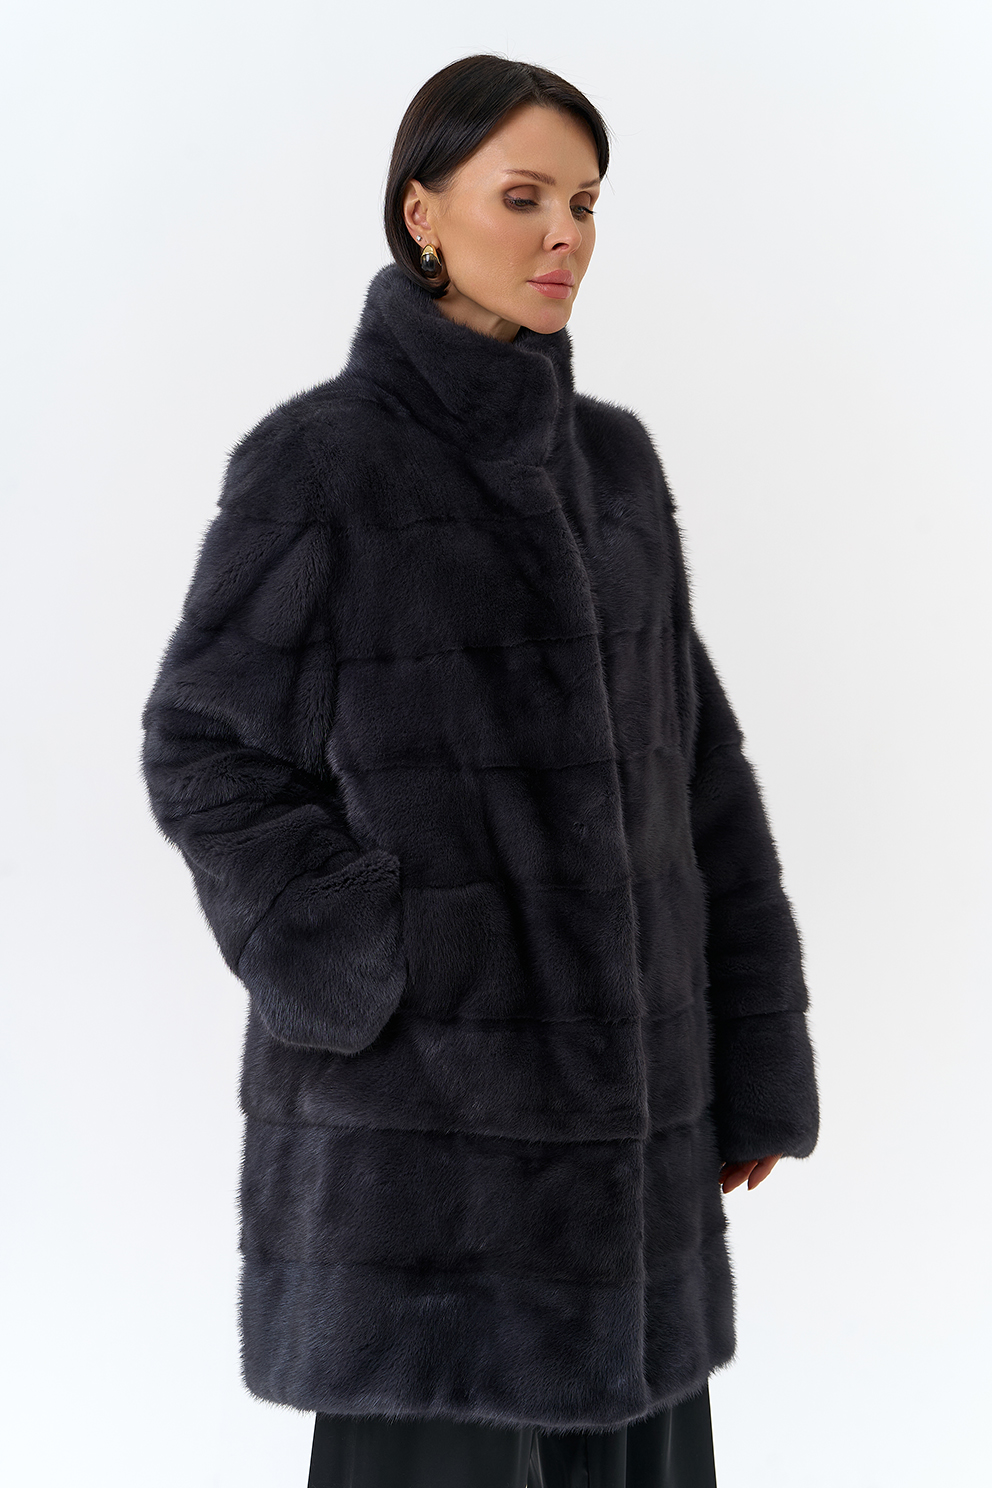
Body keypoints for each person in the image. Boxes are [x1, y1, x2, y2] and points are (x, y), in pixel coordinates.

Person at [141, 53, 819, 1488]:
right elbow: (205, 746)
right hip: (422, 1168)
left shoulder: (615, 470)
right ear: (423, 213)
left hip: (631, 1167)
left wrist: (749, 1058)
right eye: (525, 198)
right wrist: (367, 955)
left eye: (586, 202)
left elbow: (700, 777)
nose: (566, 234)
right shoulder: (321, 465)